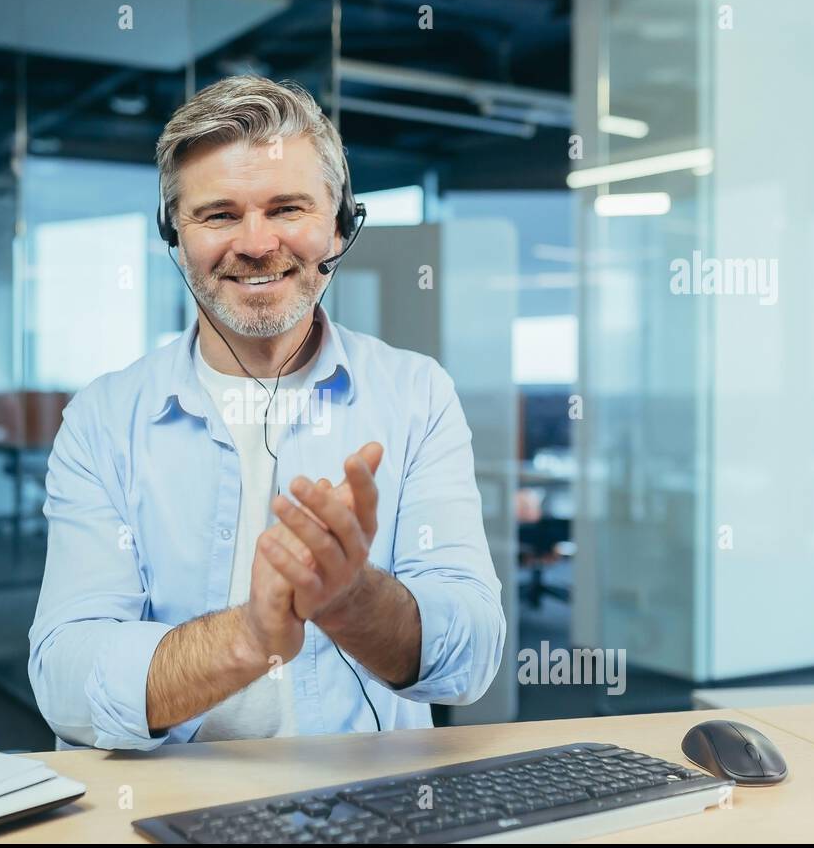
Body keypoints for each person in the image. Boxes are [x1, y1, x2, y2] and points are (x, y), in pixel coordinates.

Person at [28, 75, 505, 750]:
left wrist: (349, 598)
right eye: (219, 214)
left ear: (341, 225)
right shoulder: (103, 420)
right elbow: (66, 683)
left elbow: (471, 657)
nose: (255, 243)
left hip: (362, 805)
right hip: (165, 809)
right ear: (174, 234)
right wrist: (249, 637)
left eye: (287, 208)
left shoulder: (416, 395)